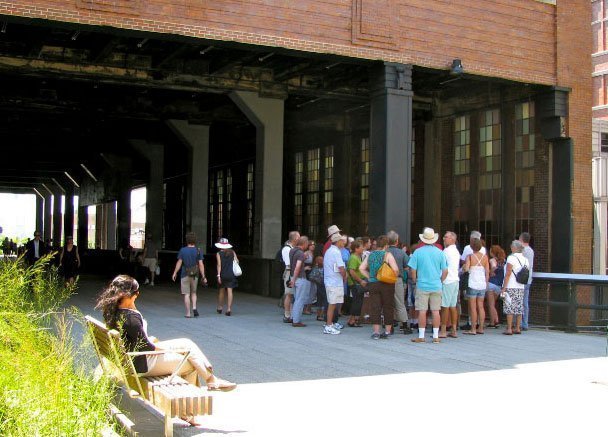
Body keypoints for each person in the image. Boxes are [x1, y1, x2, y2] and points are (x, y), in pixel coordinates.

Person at [95, 275, 235, 425]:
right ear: (128, 295)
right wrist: (167, 350)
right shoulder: (131, 318)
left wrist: (133, 307)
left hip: (132, 359)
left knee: (186, 343)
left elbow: (139, 341)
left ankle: (210, 381)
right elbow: (147, 347)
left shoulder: (114, 312)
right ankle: (189, 410)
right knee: (191, 362)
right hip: (142, 363)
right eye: (136, 293)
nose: (138, 295)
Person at [408, 227, 448, 344]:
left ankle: (421, 335)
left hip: (422, 284)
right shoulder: (440, 252)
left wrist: (415, 280)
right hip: (436, 285)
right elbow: (445, 271)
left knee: (422, 311)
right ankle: (436, 335)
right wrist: (440, 280)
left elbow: (413, 270)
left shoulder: (418, 252)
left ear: (423, 239)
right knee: (436, 311)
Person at [359, 235, 399, 339]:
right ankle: (387, 331)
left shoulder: (370, 255)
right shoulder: (387, 255)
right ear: (386, 245)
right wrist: (393, 276)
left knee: (375, 307)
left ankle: (376, 332)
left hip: (373, 284)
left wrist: (370, 276)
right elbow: (395, 269)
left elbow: (361, 268)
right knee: (388, 306)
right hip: (386, 284)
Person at [172, 232, 207, 318]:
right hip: (195, 275)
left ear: (187, 240)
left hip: (185, 274)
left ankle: (188, 313)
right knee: (194, 292)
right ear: (195, 241)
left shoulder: (183, 250)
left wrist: (175, 272)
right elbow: (201, 264)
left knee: (186, 294)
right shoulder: (198, 250)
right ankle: (194, 308)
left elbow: (179, 262)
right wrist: (203, 276)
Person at [501, 240, 529, 335]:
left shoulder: (511, 258)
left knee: (509, 306)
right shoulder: (525, 259)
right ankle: (518, 328)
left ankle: (509, 328)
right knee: (519, 307)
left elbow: (508, 273)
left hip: (511, 285)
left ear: (514, 248)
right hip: (520, 286)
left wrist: (504, 287)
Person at [462, 238, 489, 335]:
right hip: (482, 283)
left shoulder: (470, 256)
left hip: (473, 282)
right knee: (481, 306)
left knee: (473, 307)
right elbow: (487, 272)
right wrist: (486, 283)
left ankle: (473, 328)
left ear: (471, 247)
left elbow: (466, 269)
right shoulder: (485, 257)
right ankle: (481, 327)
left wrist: (465, 266)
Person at [323, 232, 346, 335]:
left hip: (331, 281)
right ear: (338, 242)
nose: (343, 243)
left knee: (332, 304)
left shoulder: (330, 251)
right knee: (332, 304)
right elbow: (341, 267)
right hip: (334, 282)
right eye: (342, 241)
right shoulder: (336, 252)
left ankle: (330, 324)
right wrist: (344, 276)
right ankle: (328, 325)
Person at [386, 230, 410, 334]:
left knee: (387, 303)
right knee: (400, 303)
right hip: (397, 279)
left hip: (385, 279)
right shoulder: (402, 253)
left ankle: (389, 327)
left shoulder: (384, 252)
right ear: (397, 241)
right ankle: (404, 325)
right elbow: (407, 266)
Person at [440, 231, 460, 338]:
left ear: (452, 239)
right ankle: (454, 329)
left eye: (446, 237)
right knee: (453, 306)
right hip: (455, 279)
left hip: (447, 280)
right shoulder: (456, 251)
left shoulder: (446, 251)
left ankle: (443, 329)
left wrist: (441, 279)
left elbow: (443, 267)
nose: (444, 238)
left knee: (445, 306)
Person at [288, 236, 311, 327]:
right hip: (300, 278)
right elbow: (297, 267)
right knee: (300, 300)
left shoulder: (292, 250)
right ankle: (296, 321)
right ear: (304, 243)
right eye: (307, 244)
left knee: (296, 298)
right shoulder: (301, 253)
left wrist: (292, 279)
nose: (307, 245)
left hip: (293, 276)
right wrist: (293, 280)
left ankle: (293, 317)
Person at [215, 237, 238, 316]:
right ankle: (229, 309)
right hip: (231, 274)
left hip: (223, 275)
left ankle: (220, 307)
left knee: (221, 291)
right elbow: (237, 261)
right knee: (230, 291)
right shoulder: (232, 252)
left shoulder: (218, 254)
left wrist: (218, 275)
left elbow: (219, 265)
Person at [281, 231, 300, 323]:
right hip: (289, 272)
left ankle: (292, 314)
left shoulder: (293, 248)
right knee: (289, 294)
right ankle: (287, 314)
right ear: (295, 238)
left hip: (293, 272)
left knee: (292, 294)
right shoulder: (287, 249)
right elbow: (289, 263)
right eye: (299, 237)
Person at [346, 240, 366, 328]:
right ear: (356, 248)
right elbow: (351, 271)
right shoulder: (354, 258)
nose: (363, 248)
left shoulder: (357, 257)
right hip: (356, 283)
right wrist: (360, 281)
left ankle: (352, 319)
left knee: (358, 301)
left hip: (357, 283)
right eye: (361, 247)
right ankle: (352, 320)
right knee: (357, 301)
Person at [487, 245, 506, 328]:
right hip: (499, 285)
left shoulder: (492, 260)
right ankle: (493, 320)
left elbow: (494, 266)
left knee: (490, 304)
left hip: (492, 283)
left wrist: (490, 272)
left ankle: (495, 321)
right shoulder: (503, 261)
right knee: (493, 304)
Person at [519, 232, 535, 331]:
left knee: (519, 302)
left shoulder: (523, 251)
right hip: (528, 279)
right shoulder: (531, 251)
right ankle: (525, 323)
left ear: (521, 240)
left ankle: (520, 323)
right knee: (525, 302)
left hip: (521, 280)